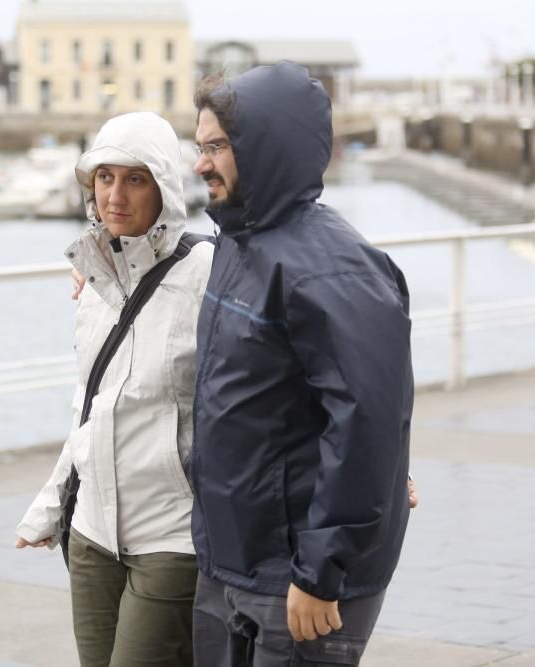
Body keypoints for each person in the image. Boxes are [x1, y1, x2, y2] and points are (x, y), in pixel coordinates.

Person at [188, 62, 415, 665]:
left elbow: (367, 422)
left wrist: (321, 571)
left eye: (217, 146)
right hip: (233, 558)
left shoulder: (334, 272)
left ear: (265, 149)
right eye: (199, 145)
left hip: (297, 578)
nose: (200, 163)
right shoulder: (239, 245)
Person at [15, 111, 214, 667]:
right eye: (104, 178)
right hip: (91, 535)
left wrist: (389, 469)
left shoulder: (209, 271)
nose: (115, 196)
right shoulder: (96, 277)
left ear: (165, 187)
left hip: (169, 536)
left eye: (135, 179)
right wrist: (51, 506)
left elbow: (281, 375)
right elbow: (89, 405)